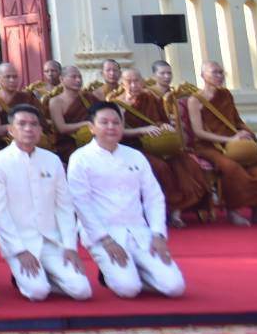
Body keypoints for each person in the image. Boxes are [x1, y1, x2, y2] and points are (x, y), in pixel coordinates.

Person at [68, 102, 186, 298]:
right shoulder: (80, 158)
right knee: (128, 289)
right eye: (104, 122)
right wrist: (105, 240)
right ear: (91, 127)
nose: (111, 127)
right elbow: (81, 203)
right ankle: (115, 275)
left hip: (139, 231)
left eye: (116, 122)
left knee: (175, 288)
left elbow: (153, 197)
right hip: (103, 233)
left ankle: (139, 271)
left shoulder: (135, 156)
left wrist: (158, 234)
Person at [0, 105, 92, 302]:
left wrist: (70, 246)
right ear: (10, 129)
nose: (28, 129)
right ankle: (25, 277)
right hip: (20, 242)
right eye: (22, 124)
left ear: (41, 130)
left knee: (82, 290)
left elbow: (64, 207)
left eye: (34, 124)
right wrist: (18, 250)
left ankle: (49, 274)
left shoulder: (52, 160)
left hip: (52, 241)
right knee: (37, 292)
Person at [185, 60, 257, 226]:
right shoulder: (195, 100)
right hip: (207, 146)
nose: (219, 76)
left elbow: (236, 121)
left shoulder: (225, 95)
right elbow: (198, 132)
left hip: (234, 143)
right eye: (215, 72)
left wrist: (247, 132)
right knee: (231, 168)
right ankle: (233, 211)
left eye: (221, 72)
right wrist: (229, 139)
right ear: (203, 75)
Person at [113, 69, 207, 227]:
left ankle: (177, 211)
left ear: (143, 82)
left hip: (160, 144)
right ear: (122, 83)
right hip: (134, 147)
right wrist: (143, 130)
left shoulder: (150, 99)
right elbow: (118, 132)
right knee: (161, 167)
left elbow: (162, 121)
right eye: (129, 81)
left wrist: (165, 127)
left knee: (185, 164)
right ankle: (165, 208)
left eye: (137, 81)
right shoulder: (117, 104)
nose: (134, 85)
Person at [0, 62, 44, 154]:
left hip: (32, 140)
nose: (12, 80)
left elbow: (41, 122)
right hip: (5, 144)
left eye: (15, 77)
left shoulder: (27, 97)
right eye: (7, 77)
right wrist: (23, 125)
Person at [49, 65, 94, 164]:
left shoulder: (88, 98)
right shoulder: (56, 102)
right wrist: (85, 124)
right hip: (68, 147)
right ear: (62, 79)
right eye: (73, 77)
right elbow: (61, 128)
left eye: (80, 77)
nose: (78, 80)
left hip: (92, 143)